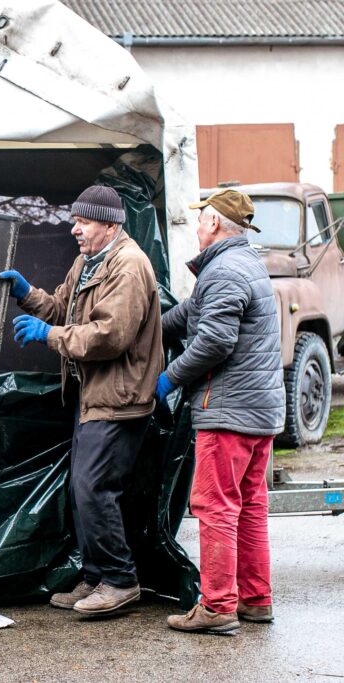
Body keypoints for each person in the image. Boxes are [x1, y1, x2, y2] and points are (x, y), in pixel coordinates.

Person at [0, 185, 163, 616]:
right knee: (82, 488)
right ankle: (95, 576)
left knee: (94, 488)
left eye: (83, 222)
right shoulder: (89, 262)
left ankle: (121, 580)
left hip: (119, 399)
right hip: (93, 396)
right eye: (76, 221)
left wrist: (47, 336)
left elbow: (110, 337)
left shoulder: (128, 267)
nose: (75, 229)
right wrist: (28, 294)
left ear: (110, 224)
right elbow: (60, 309)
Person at [159, 189, 284, 634]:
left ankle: (216, 606)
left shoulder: (224, 271)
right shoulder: (244, 265)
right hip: (259, 411)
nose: (195, 228)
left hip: (228, 410)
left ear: (213, 224)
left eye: (199, 221)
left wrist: (170, 376)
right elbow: (189, 313)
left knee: (214, 506)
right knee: (249, 507)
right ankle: (255, 600)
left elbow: (214, 341)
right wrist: (144, 327)